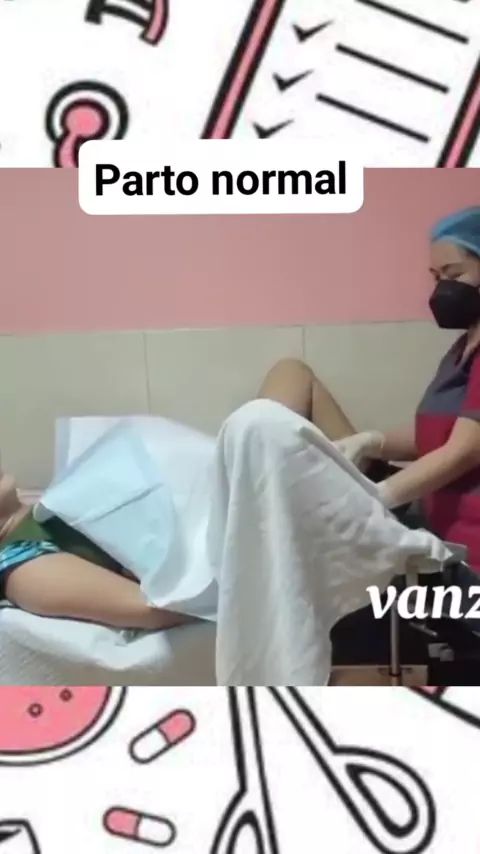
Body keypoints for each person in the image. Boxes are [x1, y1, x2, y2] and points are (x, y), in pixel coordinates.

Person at [1, 205, 478, 640]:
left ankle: (322, 481)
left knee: (289, 376)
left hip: (237, 501)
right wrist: (262, 547)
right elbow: (158, 608)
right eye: (438, 276)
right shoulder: (24, 569)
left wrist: (366, 444)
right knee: (262, 421)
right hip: (228, 534)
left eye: (451, 274)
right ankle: (332, 494)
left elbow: (450, 439)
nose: (440, 288)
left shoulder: (40, 507)